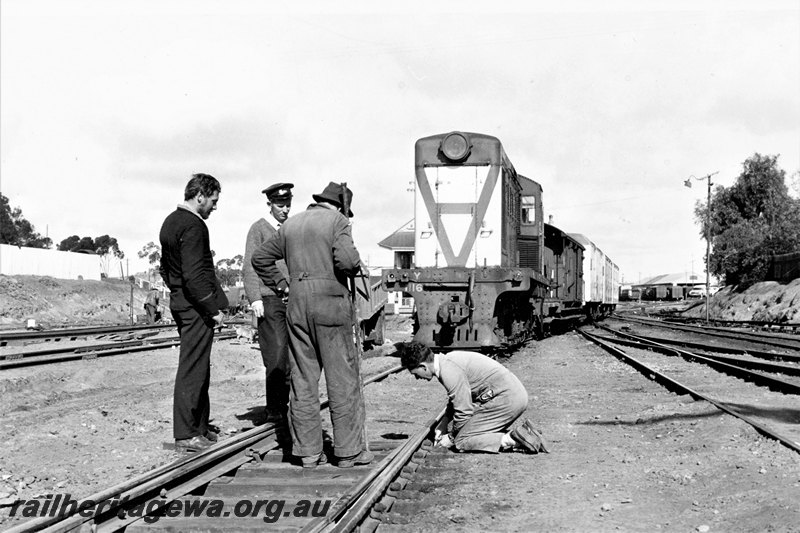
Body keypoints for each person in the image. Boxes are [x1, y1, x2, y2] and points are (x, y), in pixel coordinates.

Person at [251, 181, 371, 469]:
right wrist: (354, 265)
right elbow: (345, 261)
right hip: (330, 302)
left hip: (297, 303)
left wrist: (283, 285)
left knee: (303, 378)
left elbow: (260, 257)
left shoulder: (290, 225)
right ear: (340, 206)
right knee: (341, 376)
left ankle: (308, 453)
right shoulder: (338, 221)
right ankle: (348, 452)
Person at [159, 173, 228, 453]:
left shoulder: (170, 222)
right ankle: (187, 434)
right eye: (212, 201)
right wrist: (212, 309)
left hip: (181, 301)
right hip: (195, 307)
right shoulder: (194, 226)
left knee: (199, 366)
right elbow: (195, 274)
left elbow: (166, 269)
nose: (214, 207)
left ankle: (199, 427)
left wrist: (176, 293)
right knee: (192, 367)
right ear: (200, 196)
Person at [397, 341, 549, 454]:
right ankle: (525, 433)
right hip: (510, 394)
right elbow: (457, 398)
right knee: (465, 430)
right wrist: (444, 423)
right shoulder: (447, 361)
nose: (418, 378)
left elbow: (464, 411)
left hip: (507, 399)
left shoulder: (448, 372)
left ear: (423, 366)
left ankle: (515, 439)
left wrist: (450, 438)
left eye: (415, 373)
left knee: (462, 441)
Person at [242, 182, 293, 424]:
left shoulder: (291, 228)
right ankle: (274, 408)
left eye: (288, 205)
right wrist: (255, 298)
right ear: (270, 205)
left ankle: (287, 405)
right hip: (270, 299)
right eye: (280, 205)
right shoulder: (258, 230)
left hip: (291, 299)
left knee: (292, 355)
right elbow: (250, 266)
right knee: (276, 354)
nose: (285, 209)